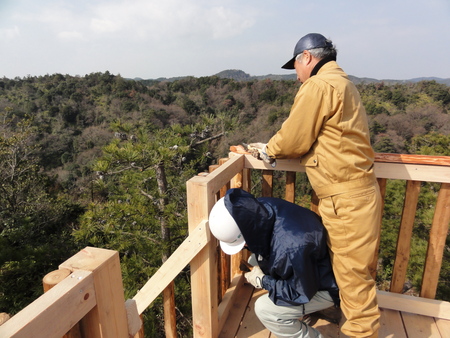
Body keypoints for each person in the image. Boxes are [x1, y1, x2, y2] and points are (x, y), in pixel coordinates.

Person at [249, 33, 382, 337]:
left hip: (347, 198)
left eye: (295, 66)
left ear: (306, 57)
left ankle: (360, 332)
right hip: (354, 194)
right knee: (350, 272)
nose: (297, 76)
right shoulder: (343, 83)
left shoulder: (319, 85)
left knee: (354, 280)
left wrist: (269, 149)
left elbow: (294, 137)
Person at [209, 188, 340, 338]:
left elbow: (300, 292)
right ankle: (302, 312)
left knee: (265, 309)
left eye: (244, 244)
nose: (245, 247)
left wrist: (264, 281)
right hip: (314, 264)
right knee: (255, 261)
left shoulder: (292, 248)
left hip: (328, 285)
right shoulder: (262, 207)